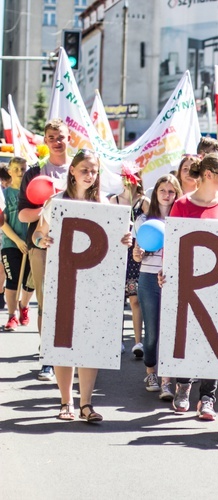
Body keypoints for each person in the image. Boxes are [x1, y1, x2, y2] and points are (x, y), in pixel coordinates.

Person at [33, 148, 133, 422]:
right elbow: (38, 236)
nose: (90, 175)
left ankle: (86, 403)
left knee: (90, 341)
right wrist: (44, 241)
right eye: (85, 170)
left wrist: (125, 239)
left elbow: (118, 237)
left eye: (94, 170)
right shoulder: (56, 202)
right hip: (64, 281)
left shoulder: (105, 203)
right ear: (73, 171)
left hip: (95, 283)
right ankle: (66, 402)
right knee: (63, 341)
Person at [166, 152, 218, 421]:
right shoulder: (181, 205)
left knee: (217, 337)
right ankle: (183, 385)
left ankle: (207, 397)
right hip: (189, 281)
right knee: (188, 334)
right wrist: (166, 273)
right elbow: (173, 244)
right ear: (209, 175)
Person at [18, 118, 73, 382]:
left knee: (73, 304)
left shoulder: (80, 169)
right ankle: (48, 358)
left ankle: (73, 357)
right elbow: (22, 216)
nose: (56, 141)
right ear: (45, 141)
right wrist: (51, 207)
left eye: (60, 136)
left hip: (77, 249)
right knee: (47, 305)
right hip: (42, 248)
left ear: (69, 137)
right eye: (51, 137)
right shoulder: (34, 172)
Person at [133, 174, 182, 399]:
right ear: (155, 193)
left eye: (171, 191)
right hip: (149, 277)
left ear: (177, 194)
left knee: (172, 331)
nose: (166, 195)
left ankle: (166, 381)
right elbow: (136, 254)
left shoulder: (182, 220)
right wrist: (138, 252)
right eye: (163, 190)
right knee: (152, 331)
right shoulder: (143, 220)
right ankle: (150, 372)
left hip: (175, 278)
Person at [109, 168, 149, 359]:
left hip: (136, 252)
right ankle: (115, 339)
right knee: (117, 300)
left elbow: (150, 226)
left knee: (135, 299)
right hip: (118, 252)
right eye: (124, 177)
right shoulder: (114, 201)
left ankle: (137, 341)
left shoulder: (144, 202)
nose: (128, 181)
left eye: (130, 177)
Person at [1, 157, 33, 331]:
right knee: (13, 281)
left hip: (31, 243)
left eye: (23, 169)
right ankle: (12, 315)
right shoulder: (4, 195)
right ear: (10, 172)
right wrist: (18, 241)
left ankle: (24, 306)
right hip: (11, 243)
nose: (21, 172)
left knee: (30, 282)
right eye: (17, 169)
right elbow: (2, 223)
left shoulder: (32, 193)